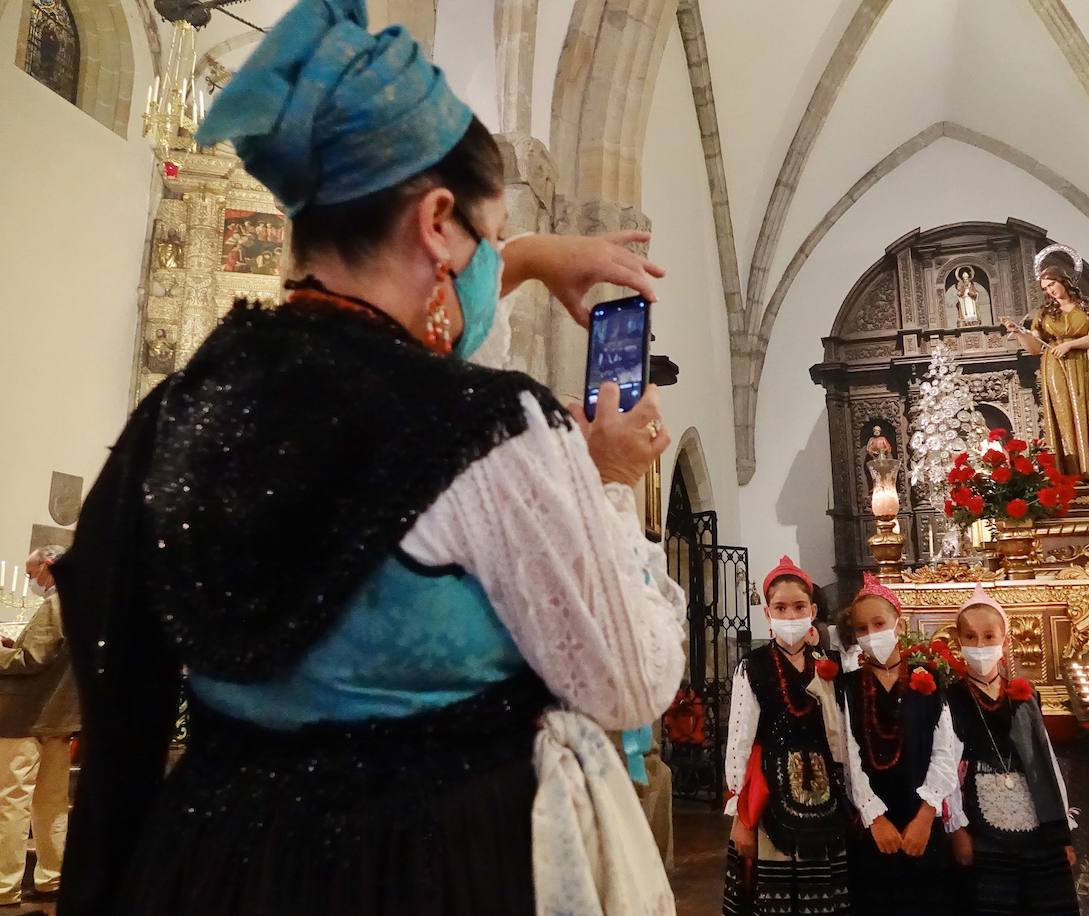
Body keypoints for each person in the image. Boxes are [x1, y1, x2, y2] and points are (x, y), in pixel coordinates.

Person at [51, 0, 686, 912]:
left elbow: (373, 387)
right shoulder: (490, 429)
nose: (486, 259)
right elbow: (628, 682)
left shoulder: (180, 409)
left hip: (210, 861)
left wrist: (533, 255)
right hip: (425, 866)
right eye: (487, 233)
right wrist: (608, 478)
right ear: (436, 222)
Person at [722, 556, 851, 916]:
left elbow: (841, 737)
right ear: (768, 613)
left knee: (821, 894)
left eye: (798, 607)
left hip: (824, 793)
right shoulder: (753, 666)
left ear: (812, 610)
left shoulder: (828, 664)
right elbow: (739, 741)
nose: (790, 615)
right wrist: (740, 816)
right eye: (780, 607)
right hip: (770, 793)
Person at [945, 587, 1079, 916]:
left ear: (1005, 642)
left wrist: (1062, 833)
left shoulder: (1023, 693)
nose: (980, 646)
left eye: (989, 636)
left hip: (1035, 818)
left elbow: (1044, 762)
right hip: (982, 824)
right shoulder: (951, 696)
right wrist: (957, 831)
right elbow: (946, 767)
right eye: (971, 637)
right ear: (959, 642)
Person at [838, 573, 962, 916]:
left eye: (878, 623)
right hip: (873, 829)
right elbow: (849, 757)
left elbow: (944, 752)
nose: (870, 634)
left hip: (922, 820)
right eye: (861, 629)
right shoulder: (847, 688)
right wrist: (875, 818)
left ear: (898, 622)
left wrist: (926, 815)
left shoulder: (929, 678)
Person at [0, 547, 78, 916]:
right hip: (58, 717)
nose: (31, 581)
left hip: (25, 716)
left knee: (11, 802)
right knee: (50, 804)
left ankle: (4, 885)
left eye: (32, 574)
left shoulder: (55, 604)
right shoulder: (85, 604)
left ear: (48, 566)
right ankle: (51, 878)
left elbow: (31, 660)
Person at [1001, 244, 1089, 482]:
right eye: (1045, 288)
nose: (1050, 291)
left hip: (1084, 364)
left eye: (1052, 284)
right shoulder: (1044, 314)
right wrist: (1019, 332)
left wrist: (1069, 345)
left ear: (1063, 280)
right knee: (1065, 418)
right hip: (1056, 367)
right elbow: (1035, 348)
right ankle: (1074, 474)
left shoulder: (1088, 307)